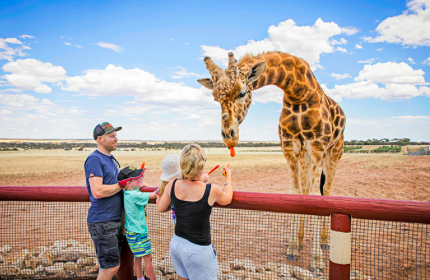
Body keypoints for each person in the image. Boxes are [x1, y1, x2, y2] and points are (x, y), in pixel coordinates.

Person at [157, 143, 233, 280]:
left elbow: (161, 208)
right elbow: (227, 199)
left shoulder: (172, 185)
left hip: (177, 244)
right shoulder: (212, 190)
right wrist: (228, 178)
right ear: (202, 166)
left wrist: (159, 192)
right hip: (198, 250)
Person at [84, 122, 124, 280]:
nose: (116, 139)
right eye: (112, 136)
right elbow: (98, 191)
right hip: (103, 221)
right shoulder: (94, 159)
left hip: (112, 220)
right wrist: (122, 185)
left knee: (110, 266)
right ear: (100, 139)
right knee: (111, 267)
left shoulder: (111, 159)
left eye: (116, 135)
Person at [119, 166, 157, 280]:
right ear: (129, 183)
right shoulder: (136, 195)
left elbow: (140, 185)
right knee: (148, 257)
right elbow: (155, 194)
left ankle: (140, 278)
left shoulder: (128, 192)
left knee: (138, 257)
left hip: (132, 231)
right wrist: (165, 186)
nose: (142, 178)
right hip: (139, 232)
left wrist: (140, 182)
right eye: (138, 177)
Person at [155, 153, 209, 224]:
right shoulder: (181, 184)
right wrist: (201, 179)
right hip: (195, 227)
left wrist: (171, 204)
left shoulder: (167, 187)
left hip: (179, 227)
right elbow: (188, 187)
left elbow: (160, 207)